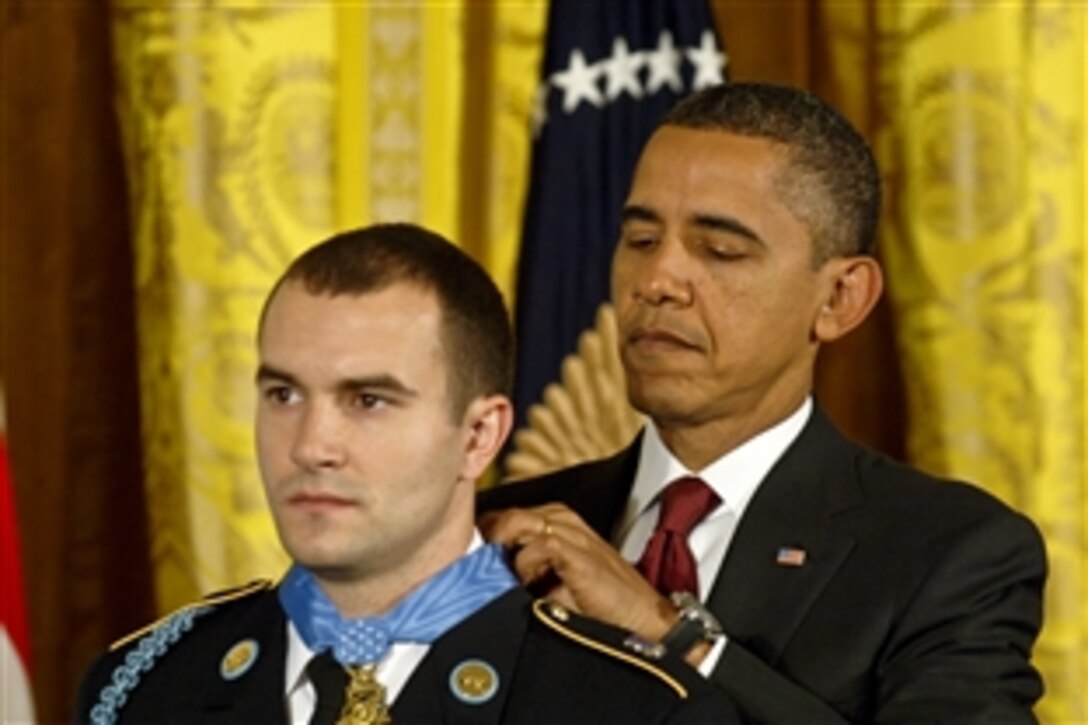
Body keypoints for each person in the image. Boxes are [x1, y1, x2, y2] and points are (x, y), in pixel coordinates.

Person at [479, 82, 1046, 724]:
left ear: (839, 299)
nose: (657, 282)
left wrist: (669, 634)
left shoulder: (947, 556)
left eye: (720, 251)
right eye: (639, 241)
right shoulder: (493, 532)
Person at [74, 224, 739, 723]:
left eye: (368, 400)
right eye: (284, 395)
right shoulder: (140, 688)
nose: (311, 445)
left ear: (478, 435)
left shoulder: (635, 711)